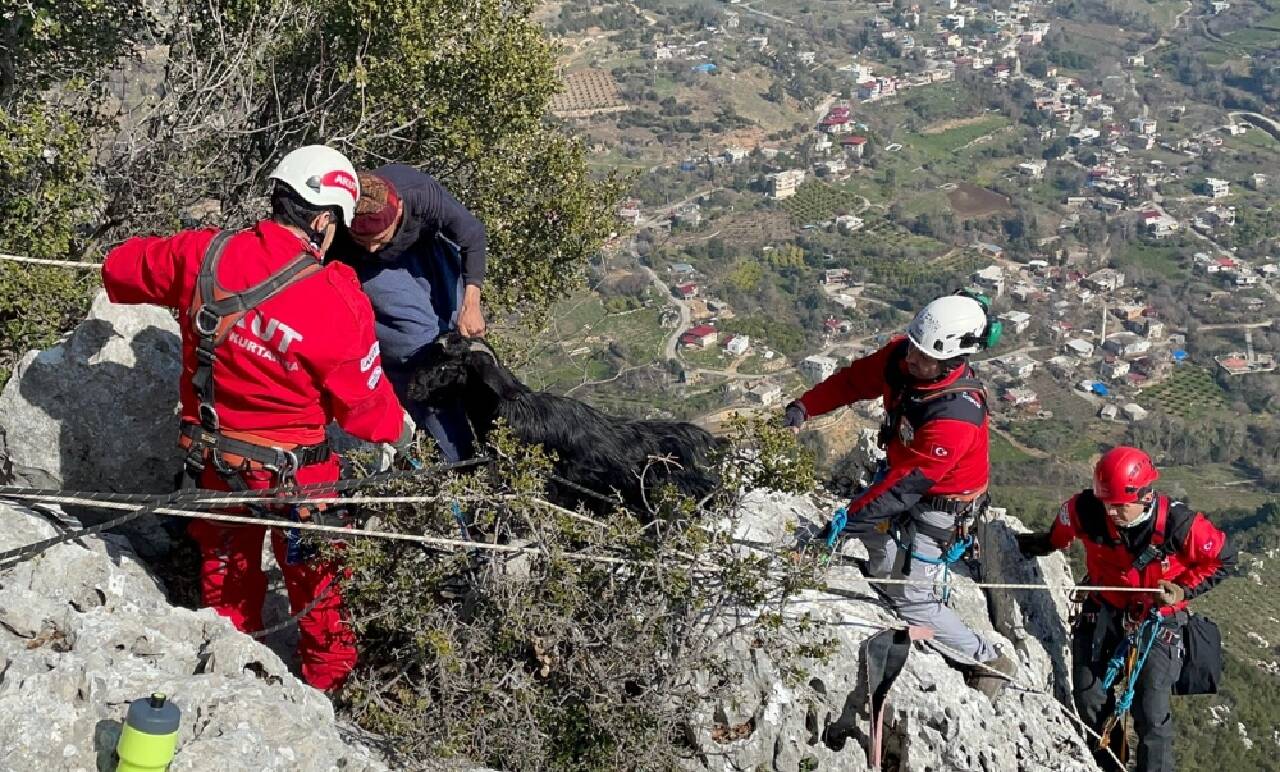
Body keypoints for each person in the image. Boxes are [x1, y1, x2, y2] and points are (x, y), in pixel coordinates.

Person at [102, 145, 413, 692]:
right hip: (297, 477)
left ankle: (231, 679)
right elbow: (365, 412)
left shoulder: (204, 254)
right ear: (321, 220)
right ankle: (327, 687)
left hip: (215, 461)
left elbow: (118, 268)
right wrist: (400, 431)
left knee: (226, 577)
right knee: (320, 591)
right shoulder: (336, 298)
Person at [784, 293, 1016, 694]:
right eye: (913, 349)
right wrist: (806, 406)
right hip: (902, 476)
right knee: (879, 551)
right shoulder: (901, 359)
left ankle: (986, 658)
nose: (913, 360)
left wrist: (834, 532)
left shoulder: (956, 415)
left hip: (941, 506)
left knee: (911, 597)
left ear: (952, 361)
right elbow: (854, 381)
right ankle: (886, 579)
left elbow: (903, 489)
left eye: (925, 358)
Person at [1015, 446, 1236, 772]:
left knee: (1151, 713)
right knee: (1089, 697)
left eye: (1120, 506)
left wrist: (1183, 589)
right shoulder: (1084, 510)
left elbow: (1224, 559)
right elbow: (1058, 535)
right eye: (1106, 503)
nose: (1112, 513)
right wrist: (1032, 545)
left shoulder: (1179, 524)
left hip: (1157, 620)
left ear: (1146, 496)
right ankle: (1109, 764)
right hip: (1104, 609)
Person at [330, 165, 489, 464]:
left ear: (399, 210)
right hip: (370, 271)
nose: (373, 246)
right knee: (417, 341)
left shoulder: (419, 194)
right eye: (363, 240)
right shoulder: (341, 216)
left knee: (455, 334)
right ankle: (454, 453)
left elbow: (472, 235)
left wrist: (472, 305)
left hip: (426, 248)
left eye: (379, 237)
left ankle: (483, 424)